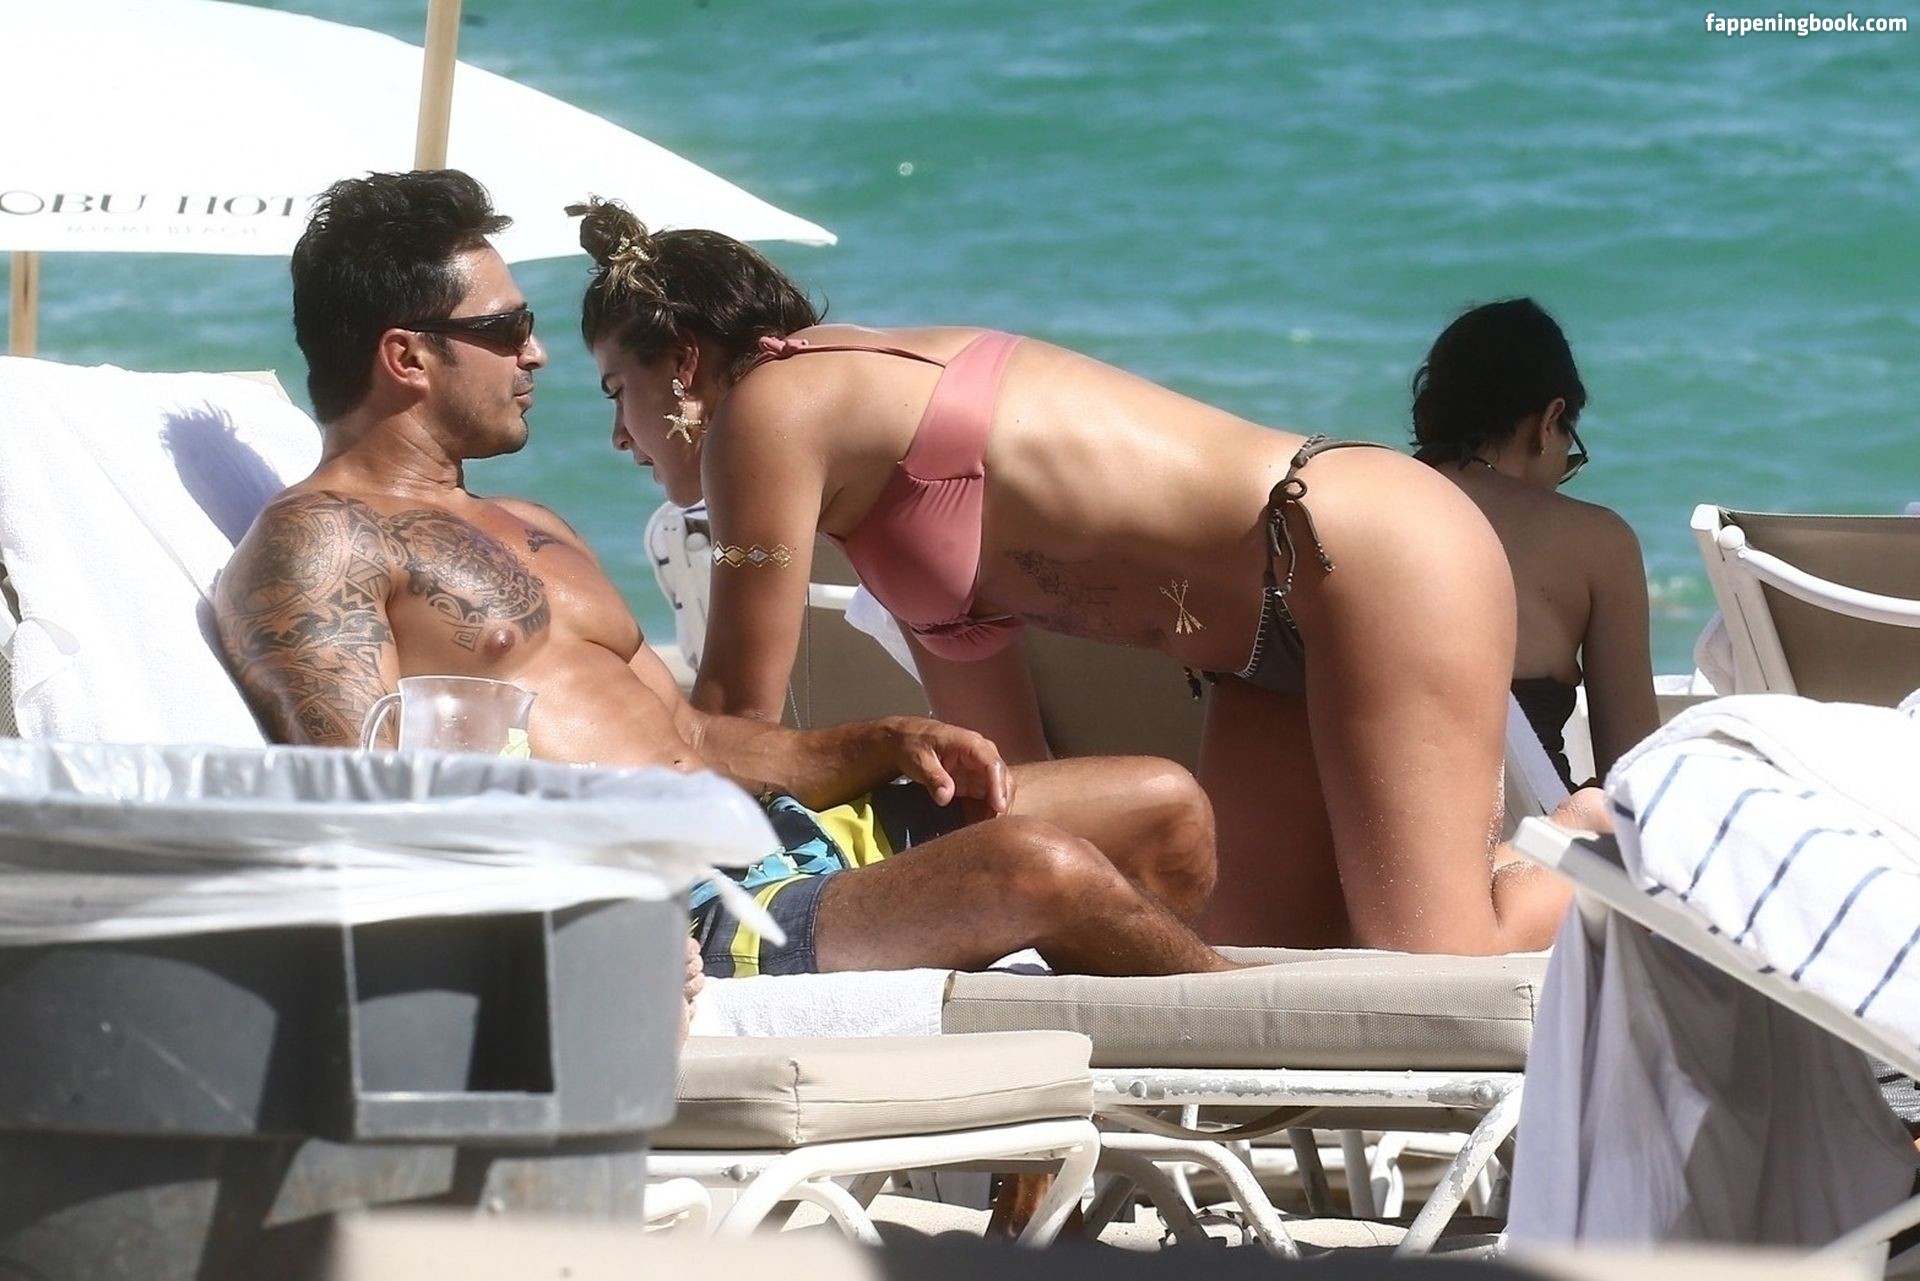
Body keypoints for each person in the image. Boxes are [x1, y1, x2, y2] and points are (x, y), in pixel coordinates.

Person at [213, 169, 1234, 989]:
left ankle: (1082, 1106)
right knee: (1035, 868)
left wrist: (880, 741)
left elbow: (699, 739)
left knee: (1160, 802)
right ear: (406, 356)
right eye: (505, 330)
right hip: (685, 911)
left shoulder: (529, 525)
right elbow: (366, 807)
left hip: (780, 838)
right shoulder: (319, 544)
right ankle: (1258, 1053)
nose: (537, 354)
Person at [571, 198, 1571, 954]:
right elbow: (1008, 781)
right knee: (1261, 956)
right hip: (1260, 646)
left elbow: (729, 718)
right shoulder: (870, 507)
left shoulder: (772, 406)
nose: (619, 433)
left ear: (685, 363)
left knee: (1435, 957)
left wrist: (594, 797)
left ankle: (1604, 850)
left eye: (620, 390)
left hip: (1361, 544)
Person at [1411, 299, 1658, 828]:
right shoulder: (1598, 541)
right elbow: (1634, 775)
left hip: (1366, 838)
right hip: (1529, 849)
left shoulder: (1360, 508)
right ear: (1548, 422)